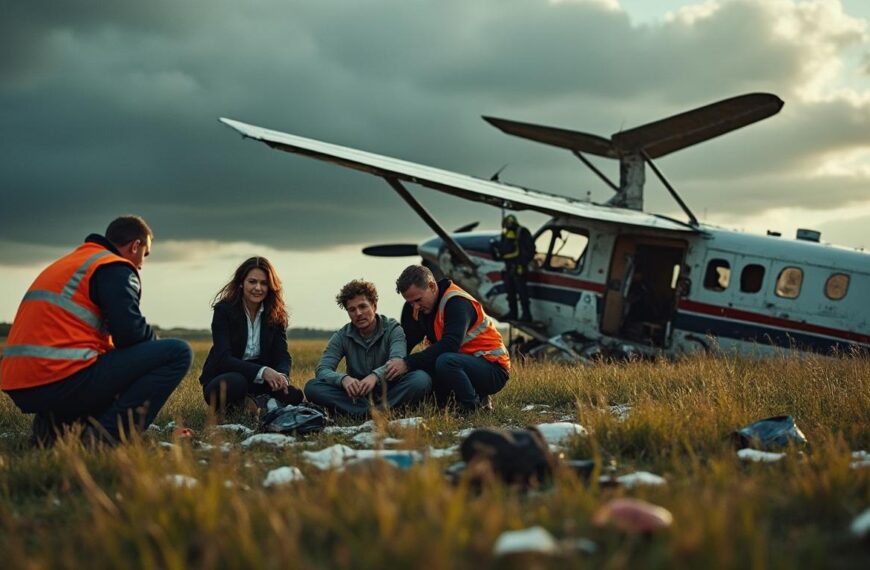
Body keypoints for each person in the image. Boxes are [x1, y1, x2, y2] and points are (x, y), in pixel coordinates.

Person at [0, 215, 192, 445]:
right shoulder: (113, 267)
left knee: (107, 362)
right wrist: (154, 343)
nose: (141, 263)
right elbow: (130, 334)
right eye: (145, 254)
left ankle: (51, 432)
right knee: (178, 352)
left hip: (22, 382)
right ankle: (105, 440)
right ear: (135, 245)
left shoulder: (72, 263)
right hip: (60, 377)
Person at [385, 265, 510, 414]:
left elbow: (450, 345)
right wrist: (389, 368)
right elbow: (407, 343)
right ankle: (463, 399)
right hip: (462, 366)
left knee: (445, 360)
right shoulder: (419, 307)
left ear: (432, 286)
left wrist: (407, 363)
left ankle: (473, 408)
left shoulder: (457, 303)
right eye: (410, 302)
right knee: (423, 378)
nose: (415, 307)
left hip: (492, 370)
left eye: (418, 300)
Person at [304, 279, 431, 416]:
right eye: (352, 309)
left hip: (390, 390)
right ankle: (374, 412)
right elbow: (322, 369)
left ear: (374, 306)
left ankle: (364, 413)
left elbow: (398, 360)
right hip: (357, 396)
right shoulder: (342, 335)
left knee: (421, 379)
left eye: (363, 306)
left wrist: (375, 376)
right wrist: (343, 379)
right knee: (312, 387)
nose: (358, 313)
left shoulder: (393, 329)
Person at [200, 257, 303, 412]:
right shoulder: (224, 310)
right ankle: (252, 404)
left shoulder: (276, 314)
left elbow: (282, 354)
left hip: (259, 382)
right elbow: (223, 359)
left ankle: (255, 403)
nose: (258, 288)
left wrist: (281, 376)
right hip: (225, 377)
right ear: (242, 283)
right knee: (237, 382)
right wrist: (263, 371)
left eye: (264, 283)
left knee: (294, 395)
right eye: (252, 282)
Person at [497, 214, 534, 321]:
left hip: (519, 268)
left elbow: (530, 250)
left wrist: (522, 263)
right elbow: (503, 250)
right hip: (509, 268)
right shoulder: (505, 234)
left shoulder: (523, 232)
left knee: (522, 293)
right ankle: (513, 313)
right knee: (510, 292)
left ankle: (526, 315)